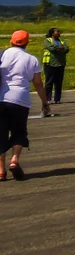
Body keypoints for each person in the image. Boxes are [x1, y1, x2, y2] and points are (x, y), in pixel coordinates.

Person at [0, 30, 50, 181]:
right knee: (19, 131)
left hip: (1, 98)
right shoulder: (31, 59)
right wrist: (45, 102)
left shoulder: (2, 55)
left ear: (11, 41)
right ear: (27, 42)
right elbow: (37, 83)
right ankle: (15, 160)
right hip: (21, 100)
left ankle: (1, 171)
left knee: (0, 133)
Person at [42, 27, 70, 104]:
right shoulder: (47, 40)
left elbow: (67, 49)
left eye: (59, 32)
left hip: (60, 64)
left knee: (59, 82)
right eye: (57, 32)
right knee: (49, 82)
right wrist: (59, 48)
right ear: (52, 33)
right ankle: (48, 98)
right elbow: (51, 49)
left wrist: (59, 49)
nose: (59, 33)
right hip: (50, 64)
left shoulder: (62, 41)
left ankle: (57, 99)